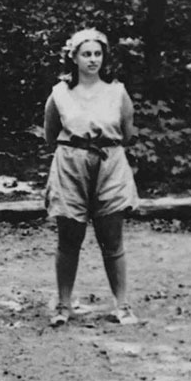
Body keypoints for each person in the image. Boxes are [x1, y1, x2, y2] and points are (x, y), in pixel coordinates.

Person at [42, 28, 140, 327]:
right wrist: (77, 151)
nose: (93, 59)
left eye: (98, 53)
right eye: (86, 54)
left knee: (112, 239)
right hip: (71, 166)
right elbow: (50, 134)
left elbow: (127, 133)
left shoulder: (116, 91)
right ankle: (62, 304)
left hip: (110, 165)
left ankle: (122, 305)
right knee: (69, 238)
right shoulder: (60, 93)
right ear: (74, 57)